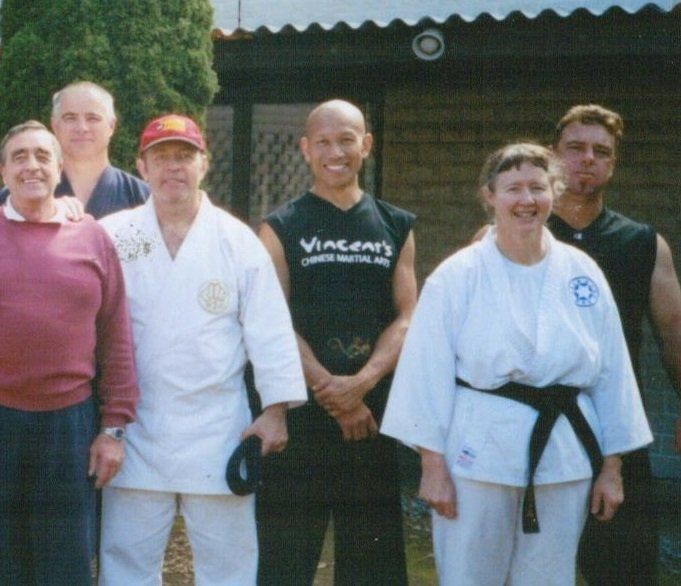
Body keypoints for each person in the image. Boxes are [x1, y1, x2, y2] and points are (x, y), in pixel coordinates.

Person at [382, 142, 652, 585]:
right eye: (512, 189)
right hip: (478, 452)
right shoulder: (457, 275)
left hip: (564, 453)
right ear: (489, 196)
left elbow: (613, 374)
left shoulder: (582, 272)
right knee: (469, 575)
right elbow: (423, 372)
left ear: (555, 192)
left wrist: (612, 467)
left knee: (548, 577)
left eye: (537, 187)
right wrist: (431, 468)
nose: (526, 201)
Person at [0, 120, 138, 585]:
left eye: (41, 156)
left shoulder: (94, 239)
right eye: (19, 156)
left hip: (68, 426)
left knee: (62, 568)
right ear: (2, 170)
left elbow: (116, 337)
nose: (31, 165)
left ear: (59, 168)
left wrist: (113, 427)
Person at [97, 114, 306, 584]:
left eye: (184, 157)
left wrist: (275, 411)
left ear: (204, 164)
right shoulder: (113, 234)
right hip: (134, 424)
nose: (173, 168)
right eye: (161, 157)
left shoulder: (236, 240)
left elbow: (269, 329)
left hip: (217, 428)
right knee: (126, 562)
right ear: (141, 166)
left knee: (228, 565)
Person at [256, 99, 416, 584]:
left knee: (373, 563)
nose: (335, 151)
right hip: (302, 418)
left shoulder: (396, 225)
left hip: (372, 416)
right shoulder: (280, 227)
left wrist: (362, 383)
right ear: (305, 150)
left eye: (346, 139)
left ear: (366, 144)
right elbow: (273, 321)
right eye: (323, 141)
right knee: (285, 560)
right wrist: (333, 391)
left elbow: (409, 316)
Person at [544, 105, 681, 585]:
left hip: (618, 429)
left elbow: (675, 335)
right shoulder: (517, 236)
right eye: (575, 148)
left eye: (601, 152)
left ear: (613, 164)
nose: (588, 160)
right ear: (552, 156)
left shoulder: (643, 243)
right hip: (538, 424)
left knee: (624, 570)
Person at [0, 81, 148, 218]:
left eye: (92, 118)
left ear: (111, 126)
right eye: (70, 118)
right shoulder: (17, 194)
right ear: (54, 125)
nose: (82, 128)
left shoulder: (141, 196)